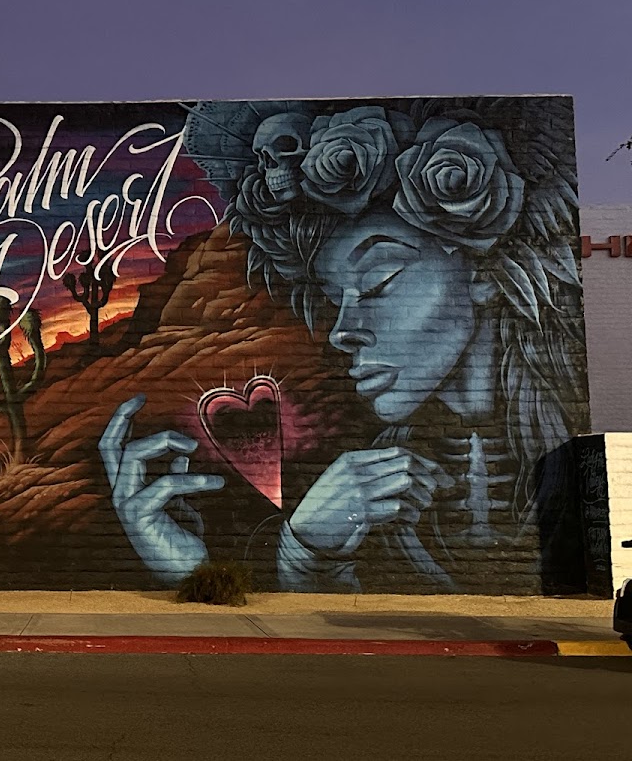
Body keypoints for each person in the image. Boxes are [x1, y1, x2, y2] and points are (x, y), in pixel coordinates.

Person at [101, 98, 589, 592]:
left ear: (482, 271)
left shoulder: (582, 461)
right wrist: (230, 563)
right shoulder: (359, 496)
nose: (343, 330)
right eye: (334, 299)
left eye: (378, 281)